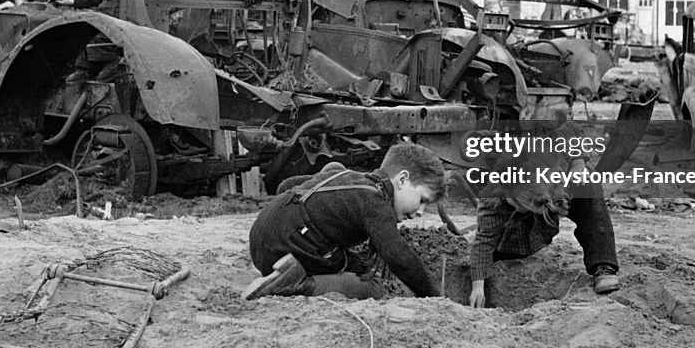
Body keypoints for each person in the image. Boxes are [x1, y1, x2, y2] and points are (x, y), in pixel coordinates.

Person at [243, 143, 445, 301]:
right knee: (372, 286)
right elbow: (398, 256)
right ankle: (295, 284)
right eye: (422, 201)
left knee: (352, 262)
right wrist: (432, 295)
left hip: (261, 239)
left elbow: (286, 185)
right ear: (402, 180)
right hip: (283, 248)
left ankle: (285, 273)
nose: (421, 212)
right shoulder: (376, 203)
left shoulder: (351, 176)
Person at [468, 119, 621, 308]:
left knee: (588, 181)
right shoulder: (492, 198)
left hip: (552, 199)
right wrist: (478, 287)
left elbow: (571, 128)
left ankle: (603, 266)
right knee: (496, 251)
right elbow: (484, 240)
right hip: (514, 236)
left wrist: (578, 163)